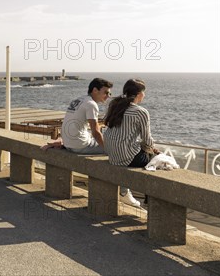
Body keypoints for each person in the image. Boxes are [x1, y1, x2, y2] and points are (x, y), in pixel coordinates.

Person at [103, 79, 159, 207]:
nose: (144, 95)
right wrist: (153, 149)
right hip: (126, 157)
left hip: (111, 153)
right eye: (144, 92)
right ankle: (150, 202)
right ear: (139, 94)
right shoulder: (141, 112)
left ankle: (126, 192)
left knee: (147, 155)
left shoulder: (115, 105)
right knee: (154, 162)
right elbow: (147, 139)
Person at [59, 77, 113, 154]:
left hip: (68, 144)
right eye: (106, 93)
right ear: (95, 90)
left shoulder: (78, 100)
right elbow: (96, 132)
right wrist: (108, 150)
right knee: (113, 147)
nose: (108, 96)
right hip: (80, 146)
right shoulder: (91, 104)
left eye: (110, 93)